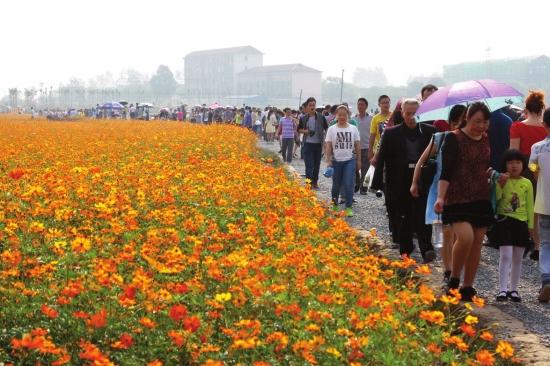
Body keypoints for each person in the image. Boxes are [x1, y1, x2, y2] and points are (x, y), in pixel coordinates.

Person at [435, 102, 493, 301]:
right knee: (465, 237)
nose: (482, 126)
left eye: (485, 122)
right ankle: (454, 278)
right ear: (467, 118)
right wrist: (441, 197)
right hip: (457, 197)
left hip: (480, 195)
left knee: (477, 242)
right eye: (477, 121)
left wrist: (495, 175)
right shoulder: (453, 137)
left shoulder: (485, 138)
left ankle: (468, 286)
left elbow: (484, 167)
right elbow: (446, 170)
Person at [371, 98, 436, 263]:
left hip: (422, 179)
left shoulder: (430, 132)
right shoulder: (391, 133)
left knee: (422, 214)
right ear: (402, 113)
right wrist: (377, 182)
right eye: (408, 113)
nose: (412, 116)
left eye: (415, 113)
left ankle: (426, 248)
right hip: (398, 180)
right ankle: (405, 249)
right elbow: (382, 158)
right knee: (404, 215)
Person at [411, 104, 466, 283]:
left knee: (459, 233)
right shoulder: (440, 138)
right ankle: (448, 270)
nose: (459, 125)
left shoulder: (472, 140)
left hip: (461, 191)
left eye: (462, 121)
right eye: (456, 121)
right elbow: (421, 161)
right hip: (440, 188)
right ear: (450, 122)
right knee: (446, 232)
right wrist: (414, 183)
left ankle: (455, 268)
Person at [491, 149, 534, 303]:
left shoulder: (527, 182)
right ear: (505, 165)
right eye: (510, 163)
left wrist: (531, 227)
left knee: (517, 258)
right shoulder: (502, 179)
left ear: (523, 165)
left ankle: (513, 289)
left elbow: (530, 206)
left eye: (517, 162)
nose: (514, 166)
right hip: (505, 221)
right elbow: (496, 199)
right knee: (506, 255)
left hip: (521, 223)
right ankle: (502, 289)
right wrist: (500, 184)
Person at [529, 107, 550, 302]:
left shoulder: (537, 148)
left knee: (545, 243)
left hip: (544, 202)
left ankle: (547, 280)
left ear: (544, 124)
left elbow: (534, 169)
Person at [325, 105, 361, 217]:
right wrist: (328, 160)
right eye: (339, 115)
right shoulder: (332, 129)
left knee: (349, 183)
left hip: (349, 160)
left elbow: (357, 145)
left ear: (348, 116)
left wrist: (359, 160)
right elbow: (328, 145)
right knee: (336, 185)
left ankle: (348, 207)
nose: (342, 117)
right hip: (336, 161)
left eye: (344, 115)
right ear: (336, 115)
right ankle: (335, 204)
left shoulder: (353, 128)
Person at [298, 97, 328, 189]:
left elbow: (326, 128)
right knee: (309, 165)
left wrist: (326, 141)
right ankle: (308, 183)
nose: (312, 107)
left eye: (313, 105)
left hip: (318, 144)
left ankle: (315, 182)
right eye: (310, 105)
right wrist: (306, 131)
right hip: (307, 144)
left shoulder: (321, 117)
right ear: (307, 107)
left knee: (316, 165)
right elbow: (298, 129)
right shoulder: (303, 118)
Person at [353, 98, 372, 195]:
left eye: (362, 104)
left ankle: (363, 188)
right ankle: (357, 184)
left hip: (367, 147)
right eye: (359, 104)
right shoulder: (353, 119)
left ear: (366, 106)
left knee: (366, 168)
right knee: (355, 168)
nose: (360, 106)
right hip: (356, 148)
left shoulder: (371, 119)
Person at [368, 95, 391, 163]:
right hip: (379, 150)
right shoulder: (375, 118)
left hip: (391, 148)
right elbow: (372, 135)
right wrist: (370, 151)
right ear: (379, 104)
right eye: (383, 103)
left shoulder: (393, 115)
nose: (386, 105)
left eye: (387, 102)